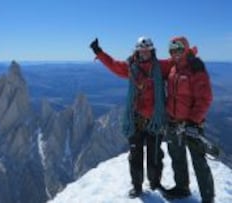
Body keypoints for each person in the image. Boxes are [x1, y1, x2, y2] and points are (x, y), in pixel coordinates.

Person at [89, 37, 173, 198]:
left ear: (152, 51)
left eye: (147, 50)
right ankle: (137, 186)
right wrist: (99, 52)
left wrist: (190, 53)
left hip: (155, 120)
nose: (144, 52)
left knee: (154, 154)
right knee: (135, 155)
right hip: (136, 119)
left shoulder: (161, 67)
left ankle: (155, 183)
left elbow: (178, 61)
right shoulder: (131, 68)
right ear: (137, 51)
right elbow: (113, 65)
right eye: (142, 50)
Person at [163, 36, 214, 203]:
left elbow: (205, 98)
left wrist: (194, 121)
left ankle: (208, 198)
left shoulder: (195, 67)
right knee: (177, 157)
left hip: (191, 124)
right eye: (172, 49)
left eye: (179, 48)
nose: (175, 52)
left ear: (185, 48)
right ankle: (182, 188)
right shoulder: (173, 68)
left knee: (199, 161)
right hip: (173, 122)